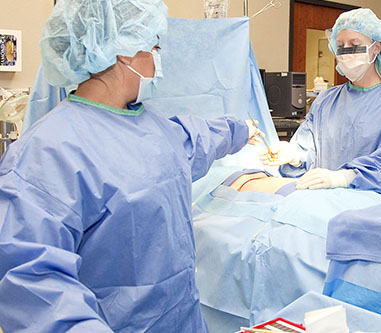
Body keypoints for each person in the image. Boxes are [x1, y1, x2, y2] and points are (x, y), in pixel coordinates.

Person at [0, 0, 262, 331]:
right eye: (154, 45)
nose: (157, 59)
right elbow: (32, 283)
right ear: (124, 51)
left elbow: (194, 141)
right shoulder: (46, 154)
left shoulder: (150, 126)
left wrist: (243, 128)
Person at [260, 8, 381, 197]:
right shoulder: (325, 101)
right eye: (340, 45)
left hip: (373, 207)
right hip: (322, 201)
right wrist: (294, 156)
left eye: (354, 44)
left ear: (376, 48)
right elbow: (308, 150)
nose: (346, 52)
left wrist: (344, 178)